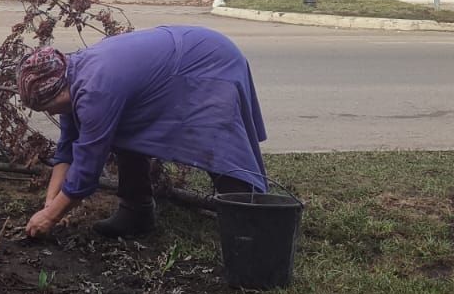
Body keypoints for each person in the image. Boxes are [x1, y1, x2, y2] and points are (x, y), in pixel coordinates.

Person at [18, 26, 270, 239]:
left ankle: (249, 220)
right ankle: (136, 213)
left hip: (207, 62)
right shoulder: (71, 76)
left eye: (47, 108)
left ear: (57, 93)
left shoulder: (95, 91)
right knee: (125, 130)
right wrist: (50, 203)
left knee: (217, 139)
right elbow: (67, 150)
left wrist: (50, 217)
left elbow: (87, 168)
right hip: (180, 56)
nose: (50, 113)